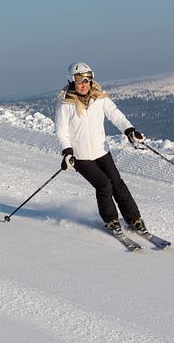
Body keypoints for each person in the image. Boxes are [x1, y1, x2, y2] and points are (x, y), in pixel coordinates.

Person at [54, 61, 149, 236]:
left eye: (87, 80)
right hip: (81, 156)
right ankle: (111, 220)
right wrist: (67, 151)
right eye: (79, 80)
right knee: (104, 185)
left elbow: (116, 116)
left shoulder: (100, 98)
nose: (83, 84)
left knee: (117, 183)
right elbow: (62, 132)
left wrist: (129, 130)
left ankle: (134, 218)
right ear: (71, 81)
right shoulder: (65, 105)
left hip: (101, 151)